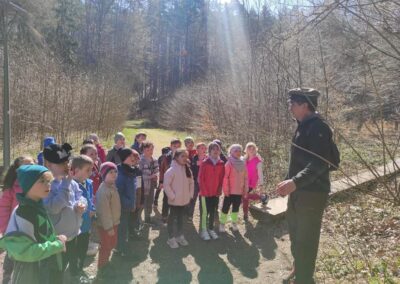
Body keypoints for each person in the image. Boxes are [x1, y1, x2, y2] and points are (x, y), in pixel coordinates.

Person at [276, 88, 333, 284]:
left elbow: (319, 163)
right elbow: (300, 160)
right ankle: (299, 269)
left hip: (312, 193)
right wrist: (288, 181)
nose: (289, 107)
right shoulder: (303, 125)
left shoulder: (318, 127)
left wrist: (294, 182)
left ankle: (304, 279)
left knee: (306, 240)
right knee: (295, 234)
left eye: (292, 103)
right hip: (300, 191)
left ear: (304, 105)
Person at [0, 165, 67, 284]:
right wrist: (57, 245)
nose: (48, 185)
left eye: (48, 181)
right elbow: (26, 251)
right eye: (42, 181)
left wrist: (54, 239)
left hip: (46, 268)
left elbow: (40, 236)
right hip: (33, 273)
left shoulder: (37, 206)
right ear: (28, 184)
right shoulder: (25, 213)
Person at [42, 143, 86, 281]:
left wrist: (81, 204)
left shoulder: (71, 182)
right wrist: (66, 183)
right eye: (61, 163)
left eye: (67, 162)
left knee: (65, 266)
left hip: (72, 236)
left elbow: (81, 196)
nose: (66, 166)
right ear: (48, 164)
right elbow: (54, 207)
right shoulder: (46, 185)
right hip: (57, 240)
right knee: (56, 271)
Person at [0, 156, 34, 284]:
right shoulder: (11, 187)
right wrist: (4, 229)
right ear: (17, 170)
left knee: (27, 255)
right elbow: (3, 209)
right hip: (13, 229)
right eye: (25, 166)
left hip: (30, 228)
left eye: (31, 164)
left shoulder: (38, 183)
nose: (29, 168)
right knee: (12, 254)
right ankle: (7, 278)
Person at [71, 155, 96, 280]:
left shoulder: (88, 183)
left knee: (83, 248)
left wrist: (93, 209)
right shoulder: (71, 186)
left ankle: (79, 269)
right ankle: (74, 273)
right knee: (75, 250)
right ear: (76, 170)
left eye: (91, 169)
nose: (91, 173)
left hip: (86, 225)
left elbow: (91, 199)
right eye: (88, 170)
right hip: (76, 227)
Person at [163, 150, 194, 249]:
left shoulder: (187, 170)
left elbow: (191, 183)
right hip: (174, 201)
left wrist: (190, 195)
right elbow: (166, 185)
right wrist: (173, 197)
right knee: (172, 218)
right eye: (182, 156)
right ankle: (170, 238)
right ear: (176, 157)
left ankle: (180, 236)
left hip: (184, 200)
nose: (185, 158)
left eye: (186, 156)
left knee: (181, 218)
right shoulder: (171, 170)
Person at [96, 162, 120, 275]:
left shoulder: (112, 186)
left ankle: (106, 262)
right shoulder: (103, 190)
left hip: (114, 222)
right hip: (107, 225)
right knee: (105, 246)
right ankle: (102, 266)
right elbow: (104, 211)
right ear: (104, 174)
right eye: (111, 172)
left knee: (111, 244)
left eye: (115, 172)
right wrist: (109, 227)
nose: (114, 174)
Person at [115, 148, 141, 257]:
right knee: (122, 229)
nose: (134, 158)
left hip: (128, 205)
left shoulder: (130, 170)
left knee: (124, 228)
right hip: (122, 207)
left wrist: (133, 203)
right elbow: (119, 193)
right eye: (132, 156)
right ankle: (122, 251)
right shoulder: (120, 172)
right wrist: (129, 204)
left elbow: (132, 189)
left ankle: (122, 247)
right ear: (125, 158)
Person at [198, 142, 225, 240]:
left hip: (215, 193)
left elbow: (221, 178)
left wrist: (219, 190)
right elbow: (200, 178)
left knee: (213, 211)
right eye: (213, 149)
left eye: (217, 149)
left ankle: (210, 228)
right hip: (205, 193)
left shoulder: (221, 164)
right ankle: (203, 230)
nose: (216, 151)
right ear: (209, 151)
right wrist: (204, 191)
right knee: (205, 212)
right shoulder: (205, 163)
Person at [219, 144, 248, 233]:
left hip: (239, 191)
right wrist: (226, 190)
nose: (238, 152)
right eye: (236, 151)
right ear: (231, 152)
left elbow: (246, 178)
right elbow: (225, 178)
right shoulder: (229, 163)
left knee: (236, 208)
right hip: (230, 191)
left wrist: (245, 189)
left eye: (239, 151)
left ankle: (234, 222)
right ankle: (222, 223)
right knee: (225, 208)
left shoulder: (243, 163)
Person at [158, 139, 182, 225]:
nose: (176, 148)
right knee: (166, 199)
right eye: (174, 146)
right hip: (167, 182)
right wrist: (161, 181)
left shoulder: (183, 157)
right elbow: (162, 170)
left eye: (178, 146)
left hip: (178, 183)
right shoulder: (166, 157)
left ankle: (174, 216)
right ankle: (164, 216)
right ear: (171, 146)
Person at [242, 142, 268, 222]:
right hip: (242, 181)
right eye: (249, 148)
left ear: (255, 150)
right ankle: (262, 197)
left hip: (251, 182)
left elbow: (260, 174)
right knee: (244, 196)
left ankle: (245, 215)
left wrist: (261, 184)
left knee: (244, 196)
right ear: (246, 150)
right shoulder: (244, 159)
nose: (251, 150)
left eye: (253, 148)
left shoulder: (258, 161)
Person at [139, 141, 159, 223]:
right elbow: (139, 174)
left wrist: (156, 175)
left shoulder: (154, 160)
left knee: (150, 201)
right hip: (143, 186)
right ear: (143, 150)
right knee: (142, 202)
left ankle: (148, 218)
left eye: (151, 149)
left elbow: (157, 170)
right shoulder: (140, 160)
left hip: (151, 185)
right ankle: (138, 219)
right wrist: (150, 177)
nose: (150, 151)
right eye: (148, 150)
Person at [187, 142, 207, 221]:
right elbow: (190, 170)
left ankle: (203, 216)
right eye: (201, 148)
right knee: (192, 199)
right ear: (197, 150)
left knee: (203, 200)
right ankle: (190, 215)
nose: (204, 149)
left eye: (204, 148)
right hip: (194, 181)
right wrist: (195, 164)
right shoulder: (193, 159)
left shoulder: (208, 159)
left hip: (204, 183)